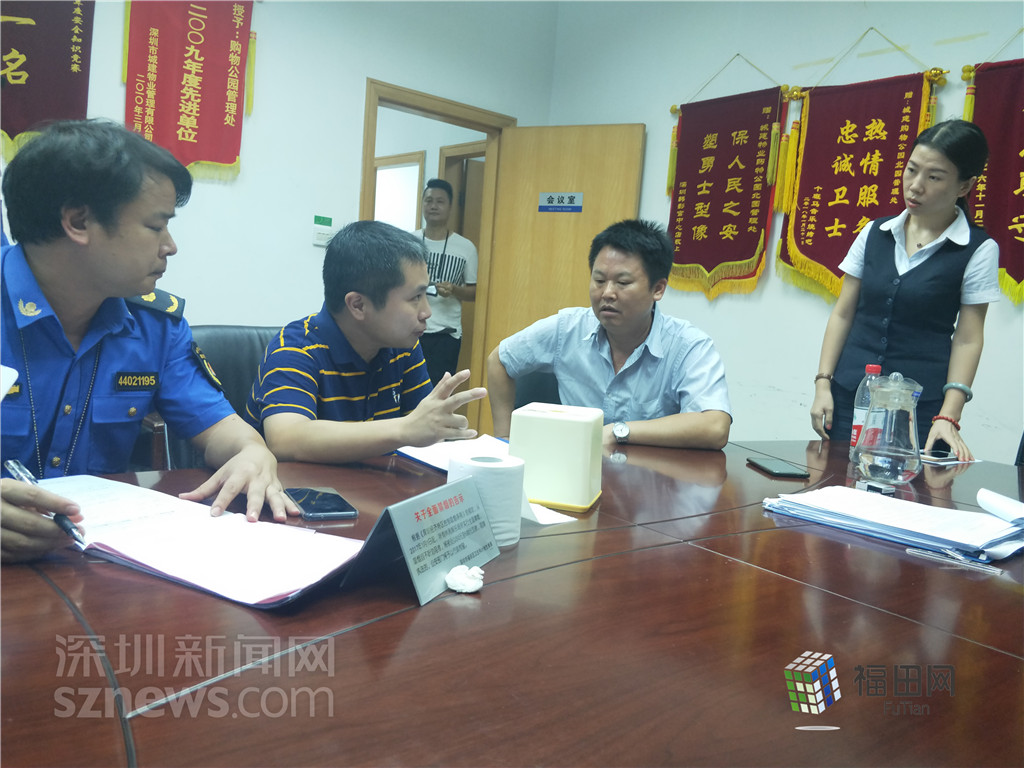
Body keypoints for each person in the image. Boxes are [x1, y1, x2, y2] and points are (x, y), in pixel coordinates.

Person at [1, 119, 297, 563]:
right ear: (79, 222)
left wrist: (252, 453)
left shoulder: (155, 325)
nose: (170, 246)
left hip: (93, 562)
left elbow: (223, 431)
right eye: (157, 226)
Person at [810, 119, 999, 461]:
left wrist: (949, 415)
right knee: (836, 483)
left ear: (965, 185)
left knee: (910, 490)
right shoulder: (874, 232)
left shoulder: (977, 249)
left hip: (919, 409)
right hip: (851, 396)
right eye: (911, 170)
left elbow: (968, 339)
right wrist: (823, 383)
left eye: (934, 177)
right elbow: (843, 312)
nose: (915, 186)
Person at [244, 220, 486, 464]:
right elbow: (286, 438)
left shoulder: (403, 346)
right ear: (358, 305)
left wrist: (435, 428)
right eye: (415, 297)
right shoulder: (295, 348)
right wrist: (404, 429)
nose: (427, 312)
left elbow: (423, 431)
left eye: (426, 294)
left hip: (374, 485)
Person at [486, 219, 732, 450]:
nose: (607, 293)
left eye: (622, 283)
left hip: (650, 476)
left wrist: (618, 431)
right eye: (599, 280)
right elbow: (500, 360)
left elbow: (715, 426)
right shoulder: (566, 329)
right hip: (573, 468)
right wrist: (504, 440)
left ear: (657, 289)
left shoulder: (687, 345)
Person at [414, 179, 478, 384]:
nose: (433, 206)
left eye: (440, 201)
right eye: (428, 200)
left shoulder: (466, 247)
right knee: (406, 388)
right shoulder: (408, 241)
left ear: (450, 207)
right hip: (410, 329)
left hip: (446, 334)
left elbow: (475, 293)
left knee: (439, 391)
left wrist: (454, 290)